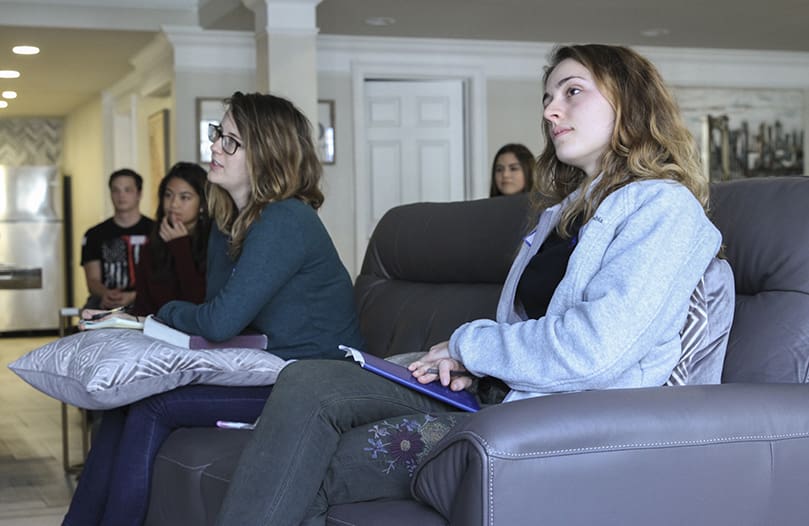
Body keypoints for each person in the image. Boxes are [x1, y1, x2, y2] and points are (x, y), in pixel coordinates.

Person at [213, 44, 736, 526]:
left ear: (631, 103)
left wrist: (471, 346)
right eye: (549, 97)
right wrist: (469, 364)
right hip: (498, 396)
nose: (551, 111)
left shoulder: (664, 209)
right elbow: (522, 331)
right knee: (307, 379)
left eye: (572, 91)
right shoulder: (560, 214)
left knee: (321, 465)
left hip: (563, 423)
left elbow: (594, 350)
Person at [62, 92, 364, 526]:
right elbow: (216, 312)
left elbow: (219, 321)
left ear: (267, 154)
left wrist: (159, 313)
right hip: (266, 364)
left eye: (231, 141)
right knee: (124, 400)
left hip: (311, 378)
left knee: (151, 404)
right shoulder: (232, 222)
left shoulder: (286, 219)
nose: (215, 146)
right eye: (217, 134)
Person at [130, 161, 210, 315]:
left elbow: (199, 301)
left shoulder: (214, 242)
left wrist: (180, 246)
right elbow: (143, 304)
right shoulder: (152, 244)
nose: (173, 204)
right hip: (154, 332)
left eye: (184, 197)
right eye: (168, 195)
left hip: (195, 333)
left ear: (202, 204)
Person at [80, 168, 154, 310]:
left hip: (147, 300)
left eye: (128, 190)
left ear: (139, 194)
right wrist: (106, 294)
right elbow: (92, 280)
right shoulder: (94, 234)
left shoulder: (156, 231)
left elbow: (163, 278)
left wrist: (133, 296)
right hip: (105, 302)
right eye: (116, 190)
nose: (121, 195)